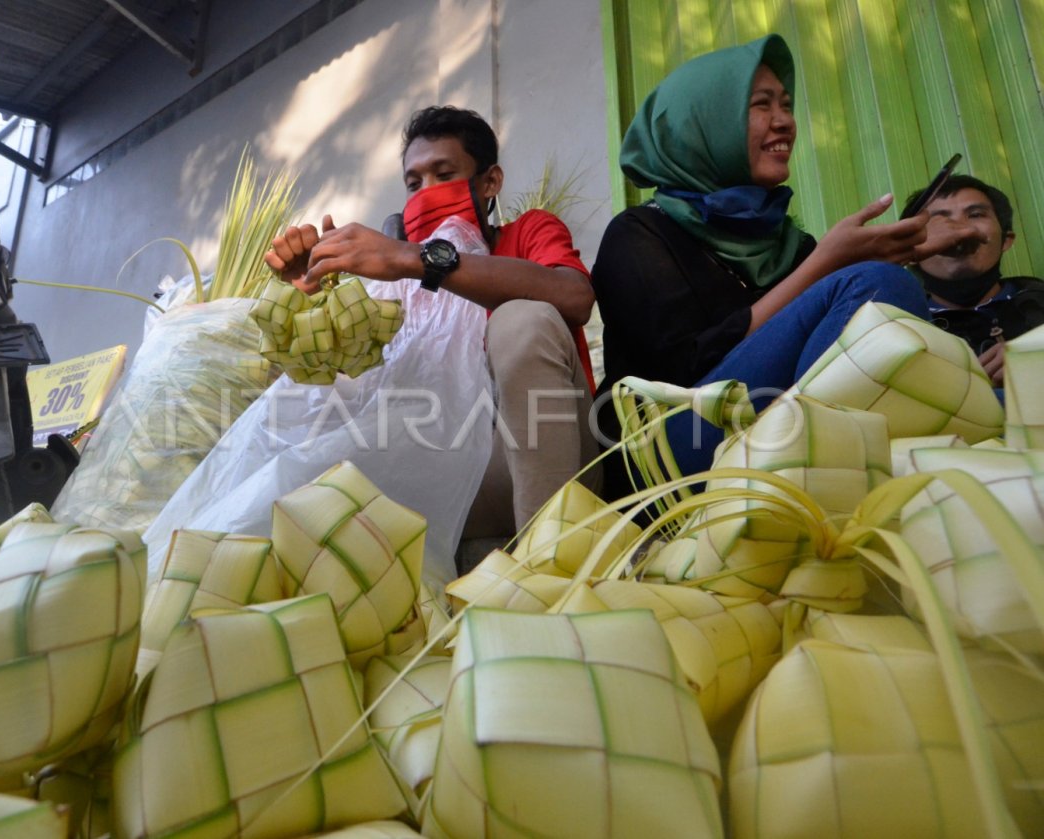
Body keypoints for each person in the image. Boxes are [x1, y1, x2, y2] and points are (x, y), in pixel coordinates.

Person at [589, 33, 977, 499]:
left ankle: (831, 479)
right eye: (761, 105)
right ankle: (827, 480)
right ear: (704, 122)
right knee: (875, 284)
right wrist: (829, 264)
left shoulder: (787, 243)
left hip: (770, 431)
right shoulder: (639, 234)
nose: (785, 123)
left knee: (990, 388)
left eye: (787, 105)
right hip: (670, 455)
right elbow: (682, 373)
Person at [264, 105, 602, 552]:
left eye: (444, 175)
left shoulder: (526, 233)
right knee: (298, 410)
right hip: (449, 480)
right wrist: (313, 301)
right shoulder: (392, 286)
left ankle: (554, 561)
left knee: (521, 319)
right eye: (413, 183)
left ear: (489, 182)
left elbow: (575, 298)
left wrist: (417, 260)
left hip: (547, 461)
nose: (427, 193)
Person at [904, 175, 1044, 386]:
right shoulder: (896, 328)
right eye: (938, 221)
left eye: (976, 215)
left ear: (1006, 240)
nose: (960, 230)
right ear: (910, 251)